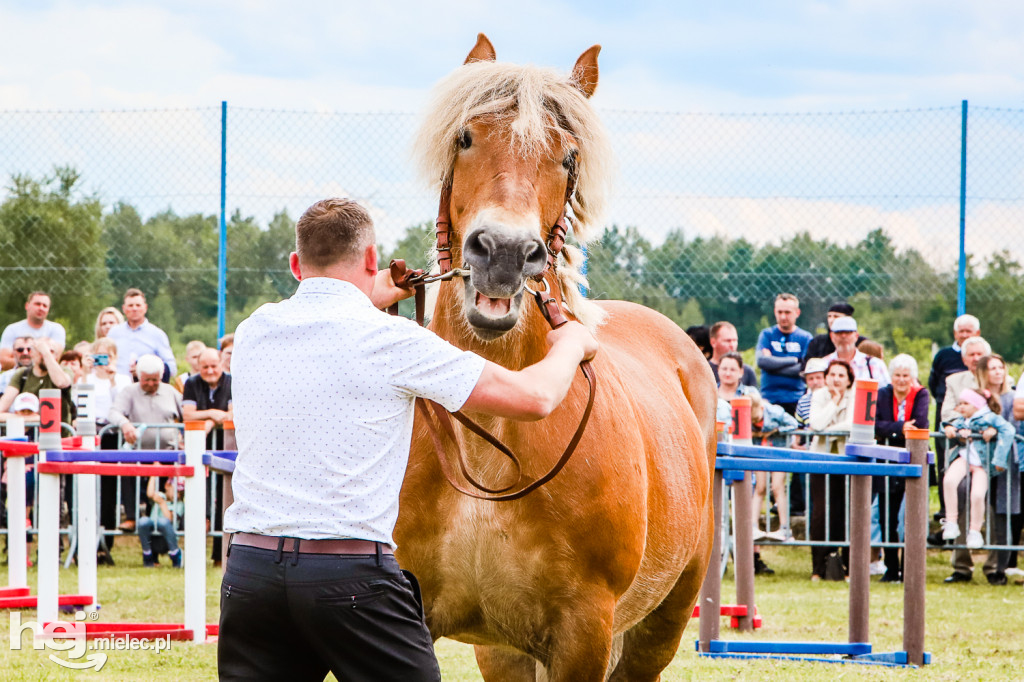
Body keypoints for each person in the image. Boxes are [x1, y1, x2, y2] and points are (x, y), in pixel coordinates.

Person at [218, 198, 599, 681]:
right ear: (372, 259)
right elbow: (536, 397)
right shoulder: (392, 342)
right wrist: (569, 346)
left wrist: (374, 290)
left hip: (250, 574)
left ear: (296, 265)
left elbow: (330, 312)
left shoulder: (254, 331)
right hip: (350, 579)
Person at [107, 354, 183, 532]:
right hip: (139, 452)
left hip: (167, 453)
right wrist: (125, 424)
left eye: (155, 380)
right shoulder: (129, 392)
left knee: (161, 493)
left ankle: (161, 527)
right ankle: (132, 517)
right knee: (127, 469)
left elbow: (186, 414)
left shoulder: (171, 392)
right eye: (146, 380)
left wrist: (184, 438)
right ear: (139, 376)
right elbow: (113, 412)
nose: (150, 384)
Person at [873, 354, 930, 582]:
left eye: (906, 375)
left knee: (911, 517)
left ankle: (909, 568)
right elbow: (875, 424)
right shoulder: (883, 393)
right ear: (891, 376)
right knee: (887, 517)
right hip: (887, 460)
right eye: (897, 375)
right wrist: (899, 428)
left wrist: (892, 429)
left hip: (913, 458)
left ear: (912, 377)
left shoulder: (921, 394)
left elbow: (921, 422)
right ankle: (891, 567)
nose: (901, 380)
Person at [940, 389, 1015, 558]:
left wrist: (999, 459)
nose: (961, 407)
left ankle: (975, 531)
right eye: (960, 403)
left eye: (965, 403)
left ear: (977, 404)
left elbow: (1008, 430)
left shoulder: (990, 418)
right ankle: (951, 521)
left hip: (981, 464)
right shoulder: (964, 420)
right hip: (964, 458)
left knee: (977, 495)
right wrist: (951, 429)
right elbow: (946, 425)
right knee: (949, 481)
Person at [929, 314, 980, 518]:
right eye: (961, 331)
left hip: (975, 422)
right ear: (955, 333)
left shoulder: (982, 355)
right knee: (945, 465)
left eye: (969, 331)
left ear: (977, 333)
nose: (965, 335)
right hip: (948, 414)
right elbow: (934, 383)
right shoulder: (943, 355)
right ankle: (945, 513)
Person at [808, 358, 855, 581]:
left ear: (848, 380)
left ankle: (846, 566)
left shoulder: (855, 396)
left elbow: (852, 425)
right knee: (820, 512)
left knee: (845, 512)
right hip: (820, 458)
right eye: (832, 374)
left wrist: (828, 431)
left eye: (841, 375)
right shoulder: (819, 396)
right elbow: (816, 424)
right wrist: (834, 403)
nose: (835, 379)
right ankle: (817, 567)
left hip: (847, 459)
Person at [976, 354, 1020, 585]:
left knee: (1004, 516)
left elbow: (1015, 426)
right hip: (980, 462)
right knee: (984, 512)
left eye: (1000, 368)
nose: (997, 372)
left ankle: (997, 568)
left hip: (1006, 466)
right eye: (992, 368)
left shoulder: (1013, 397)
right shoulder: (977, 397)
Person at [756, 293, 813, 414]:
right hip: (769, 398)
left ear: (797, 313)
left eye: (787, 312)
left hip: (796, 399)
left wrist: (772, 365)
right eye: (779, 312)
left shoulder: (806, 338)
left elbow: (803, 369)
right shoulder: (767, 335)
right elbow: (762, 362)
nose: (783, 316)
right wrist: (794, 360)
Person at [106, 289, 177, 379]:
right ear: (124, 309)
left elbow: (172, 368)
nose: (134, 309)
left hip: (146, 388)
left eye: (138, 305)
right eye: (130, 305)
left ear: (145, 308)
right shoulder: (113, 333)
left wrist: (146, 370)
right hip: (117, 387)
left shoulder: (157, 334)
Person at [0, 337, 73, 424]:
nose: (45, 355)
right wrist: (36, 419)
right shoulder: (22, 374)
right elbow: (2, 408)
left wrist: (46, 354)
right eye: (40, 351)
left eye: (51, 351)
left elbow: (61, 383)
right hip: (31, 434)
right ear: (32, 354)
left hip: (60, 435)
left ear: (57, 356)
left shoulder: (64, 371)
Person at [0, 291, 66, 370]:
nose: (41, 308)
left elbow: (55, 358)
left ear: (48, 309)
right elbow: (3, 361)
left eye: (45, 306)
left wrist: (21, 358)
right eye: (37, 304)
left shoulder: (56, 329)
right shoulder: (12, 330)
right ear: (27, 306)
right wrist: (41, 353)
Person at [823, 317, 889, 388]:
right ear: (831, 336)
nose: (843, 336)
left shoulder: (874, 364)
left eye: (848, 332)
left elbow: (888, 395)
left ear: (856, 336)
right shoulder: (823, 364)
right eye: (839, 333)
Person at [139, 476, 183, 568]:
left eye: (181, 492)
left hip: (167, 541)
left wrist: (162, 503)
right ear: (167, 485)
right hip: (152, 538)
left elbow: (169, 518)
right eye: (177, 491)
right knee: (143, 521)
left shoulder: (179, 504)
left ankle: (175, 554)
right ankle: (147, 555)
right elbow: (150, 494)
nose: (179, 494)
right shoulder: (161, 496)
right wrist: (154, 474)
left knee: (163, 522)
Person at [709, 321, 757, 388]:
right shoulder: (704, 370)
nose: (732, 345)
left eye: (734, 340)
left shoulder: (747, 371)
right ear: (713, 342)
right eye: (727, 341)